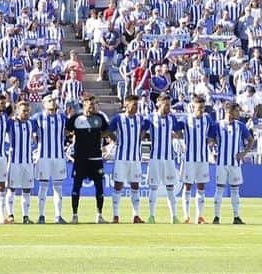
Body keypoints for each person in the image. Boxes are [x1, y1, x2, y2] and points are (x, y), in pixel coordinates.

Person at [66, 94, 110, 223]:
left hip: (96, 158)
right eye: (90, 104)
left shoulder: (100, 118)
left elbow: (107, 132)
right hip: (80, 159)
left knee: (99, 187)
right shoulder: (76, 118)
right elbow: (67, 131)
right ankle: (74, 215)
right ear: (84, 104)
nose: (92, 106)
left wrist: (101, 139)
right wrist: (73, 137)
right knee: (76, 186)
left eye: (94, 104)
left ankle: (99, 215)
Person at [108, 94, 149, 224]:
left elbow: (145, 129)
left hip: (135, 158)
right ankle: (115, 215)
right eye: (134, 104)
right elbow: (108, 131)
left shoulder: (140, 119)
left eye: (137, 105)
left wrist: (140, 138)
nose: (136, 107)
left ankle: (136, 215)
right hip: (121, 158)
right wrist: (116, 140)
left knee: (135, 185)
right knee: (118, 185)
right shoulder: (118, 119)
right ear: (126, 104)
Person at [211, 102, 252, 224]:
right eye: (237, 111)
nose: (239, 113)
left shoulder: (240, 126)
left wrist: (243, 153)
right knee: (219, 190)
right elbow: (210, 140)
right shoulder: (217, 125)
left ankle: (236, 217)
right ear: (229, 111)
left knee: (235, 190)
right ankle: (216, 217)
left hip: (235, 163)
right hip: (222, 163)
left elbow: (250, 140)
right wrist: (212, 150)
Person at [32, 94, 68, 224]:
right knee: (43, 187)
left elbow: (69, 131)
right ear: (43, 104)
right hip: (43, 157)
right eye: (49, 101)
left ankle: (58, 216)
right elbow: (29, 130)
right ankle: (41, 216)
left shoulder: (62, 118)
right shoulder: (37, 118)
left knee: (58, 187)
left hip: (58, 157)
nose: (52, 102)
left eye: (54, 100)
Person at [147, 92, 183, 224]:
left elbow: (179, 132)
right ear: (159, 104)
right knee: (154, 187)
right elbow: (142, 132)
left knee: (170, 187)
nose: (169, 107)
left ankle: (174, 216)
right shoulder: (151, 118)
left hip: (169, 158)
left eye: (169, 105)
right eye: (166, 105)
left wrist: (173, 135)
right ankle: (151, 216)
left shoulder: (171, 119)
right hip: (155, 157)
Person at [179, 95, 215, 224]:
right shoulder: (186, 119)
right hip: (189, 158)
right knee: (187, 186)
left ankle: (199, 216)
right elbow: (177, 132)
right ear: (193, 107)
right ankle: (186, 216)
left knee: (201, 187)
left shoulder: (207, 119)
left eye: (203, 108)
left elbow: (212, 133)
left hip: (203, 158)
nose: (201, 110)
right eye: (199, 108)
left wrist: (210, 142)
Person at [5, 100, 38, 224]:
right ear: (18, 111)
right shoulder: (11, 123)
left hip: (28, 161)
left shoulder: (31, 123)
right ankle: (10, 215)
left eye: (27, 111)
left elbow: (37, 135)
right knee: (11, 189)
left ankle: (25, 216)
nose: (26, 113)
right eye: (23, 111)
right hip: (14, 161)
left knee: (27, 189)